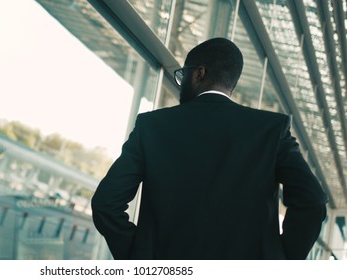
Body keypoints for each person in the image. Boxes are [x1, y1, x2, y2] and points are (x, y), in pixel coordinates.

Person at [91, 38, 328, 260]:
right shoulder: (271, 130)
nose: (181, 82)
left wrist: (140, 257)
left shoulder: (152, 127)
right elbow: (313, 201)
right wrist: (279, 260)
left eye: (183, 74)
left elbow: (106, 204)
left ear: (199, 73)